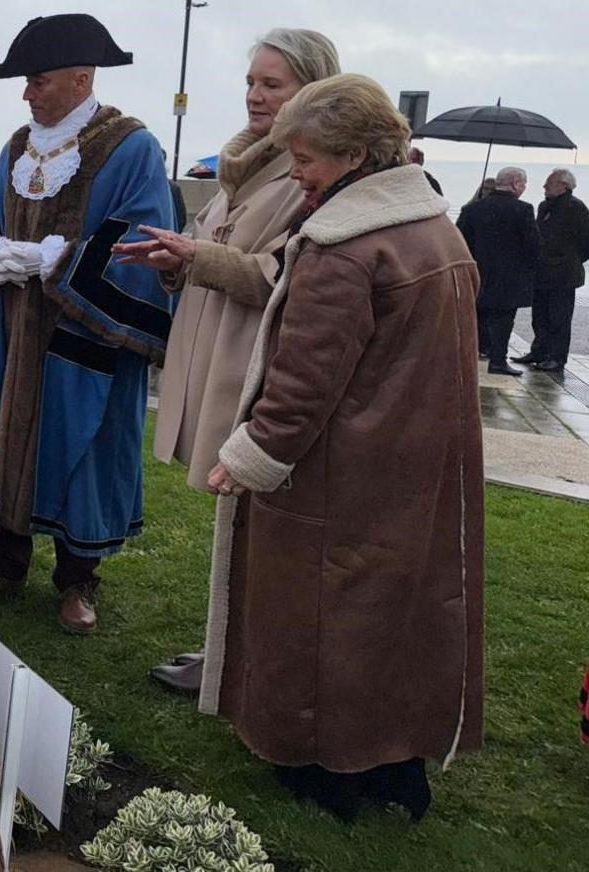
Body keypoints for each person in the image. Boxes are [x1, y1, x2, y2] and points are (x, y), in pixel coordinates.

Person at [202, 74, 483, 823]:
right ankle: (395, 764)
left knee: (321, 618)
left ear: (356, 155)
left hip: (337, 472)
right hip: (414, 466)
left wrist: (249, 457)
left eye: (305, 159)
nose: (296, 174)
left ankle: (322, 769)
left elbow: (303, 382)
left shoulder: (343, 247)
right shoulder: (437, 231)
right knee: (394, 616)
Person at [115, 27, 341, 695]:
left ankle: (242, 659)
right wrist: (175, 260)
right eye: (251, 82)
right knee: (239, 520)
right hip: (220, 350)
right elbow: (211, 247)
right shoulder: (243, 167)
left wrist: (199, 259)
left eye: (272, 84)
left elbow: (290, 275)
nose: (255, 96)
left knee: (260, 520)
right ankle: (229, 651)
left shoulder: (312, 176)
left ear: (313, 90)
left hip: (259, 369)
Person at [0, 15, 177, 634]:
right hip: (13, 329)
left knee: (84, 452)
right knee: (6, 440)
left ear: (81, 79)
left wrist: (60, 261)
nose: (27, 93)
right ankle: (3, 563)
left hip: (84, 333)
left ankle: (79, 580)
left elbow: (145, 238)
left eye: (38, 81)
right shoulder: (16, 147)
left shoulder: (132, 147)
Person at [458, 166, 540, 375]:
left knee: (475, 317)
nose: (524, 188)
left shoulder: (472, 209)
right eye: (523, 183)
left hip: (477, 274)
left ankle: (467, 358)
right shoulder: (523, 210)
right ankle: (498, 360)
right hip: (509, 278)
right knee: (503, 321)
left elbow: (459, 241)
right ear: (515, 184)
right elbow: (533, 246)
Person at [515, 169, 589, 372]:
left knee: (559, 318)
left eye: (550, 183)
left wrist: (570, 258)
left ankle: (557, 357)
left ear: (564, 186)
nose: (545, 186)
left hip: (564, 274)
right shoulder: (544, 206)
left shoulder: (576, 207)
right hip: (542, 270)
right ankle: (539, 351)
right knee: (539, 315)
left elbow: (585, 241)